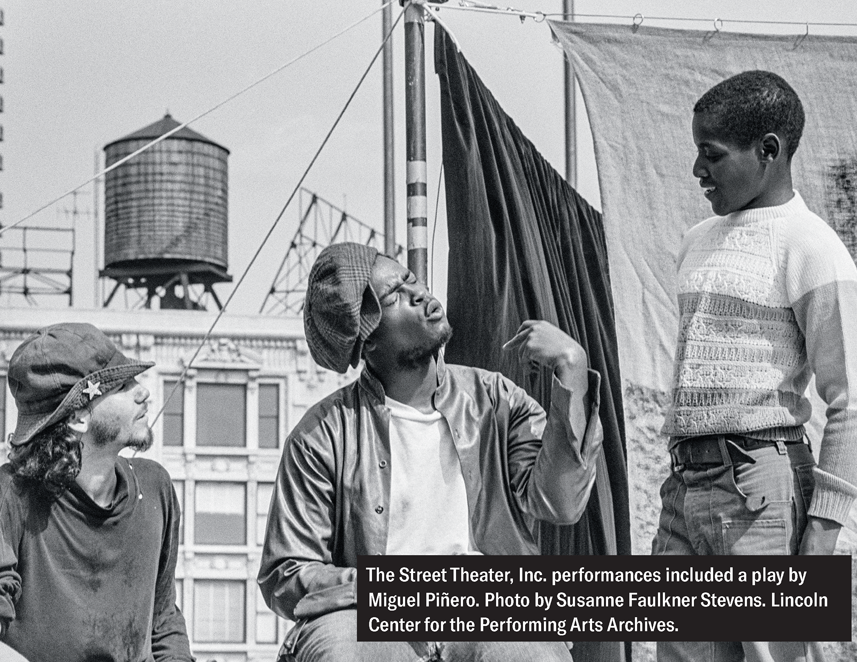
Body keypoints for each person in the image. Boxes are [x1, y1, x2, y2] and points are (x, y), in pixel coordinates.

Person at [258, 242, 603, 661]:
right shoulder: (321, 434)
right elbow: (287, 572)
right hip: (371, 613)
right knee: (344, 651)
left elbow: (561, 503)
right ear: (367, 342)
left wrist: (572, 366)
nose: (419, 293)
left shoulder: (495, 400)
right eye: (394, 296)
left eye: (411, 280)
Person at [653, 70, 857, 661]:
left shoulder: (812, 246)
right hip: (685, 486)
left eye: (712, 156)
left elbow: (854, 403)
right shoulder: (698, 239)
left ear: (769, 150)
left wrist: (821, 534)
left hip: (762, 485)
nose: (699, 171)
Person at [0, 322, 193, 662]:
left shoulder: (155, 487)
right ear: (77, 418)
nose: (143, 392)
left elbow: (163, 623)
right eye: (122, 384)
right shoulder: (3, 496)